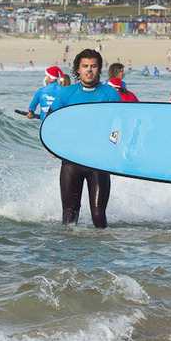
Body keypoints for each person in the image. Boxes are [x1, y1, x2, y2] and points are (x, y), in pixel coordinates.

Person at [52, 49, 122, 227]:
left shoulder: (111, 94)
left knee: (98, 216)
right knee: (69, 215)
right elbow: (51, 123)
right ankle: (69, 252)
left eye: (93, 66)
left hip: (98, 162)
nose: (89, 70)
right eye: (85, 66)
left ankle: (101, 252)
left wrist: (113, 147)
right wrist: (52, 146)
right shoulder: (65, 94)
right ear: (77, 69)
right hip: (70, 161)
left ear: (99, 69)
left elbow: (119, 126)